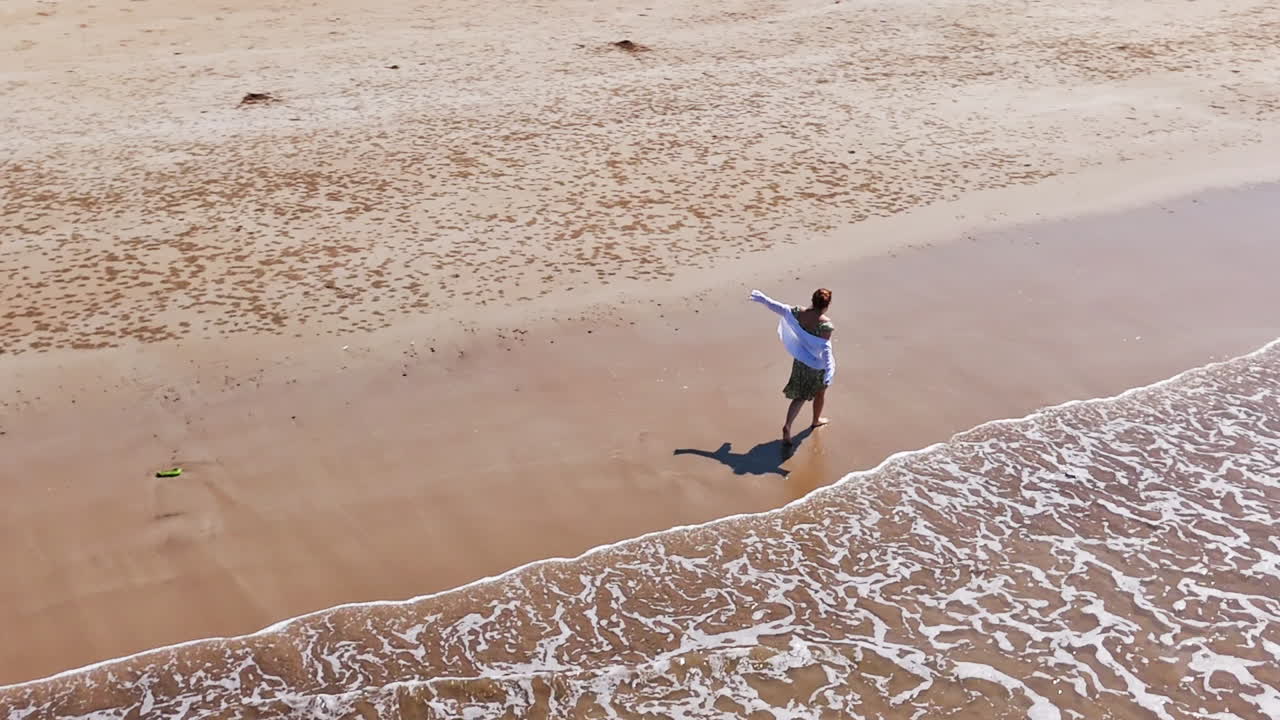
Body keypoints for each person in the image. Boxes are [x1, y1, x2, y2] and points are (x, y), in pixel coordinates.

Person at [749, 288, 836, 445]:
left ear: (812, 299)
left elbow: (778, 307)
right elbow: (825, 350)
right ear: (827, 305)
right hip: (818, 366)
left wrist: (763, 299)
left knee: (800, 397)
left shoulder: (797, 313)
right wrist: (830, 371)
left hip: (801, 360)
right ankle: (816, 420)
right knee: (820, 394)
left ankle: (788, 425)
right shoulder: (826, 326)